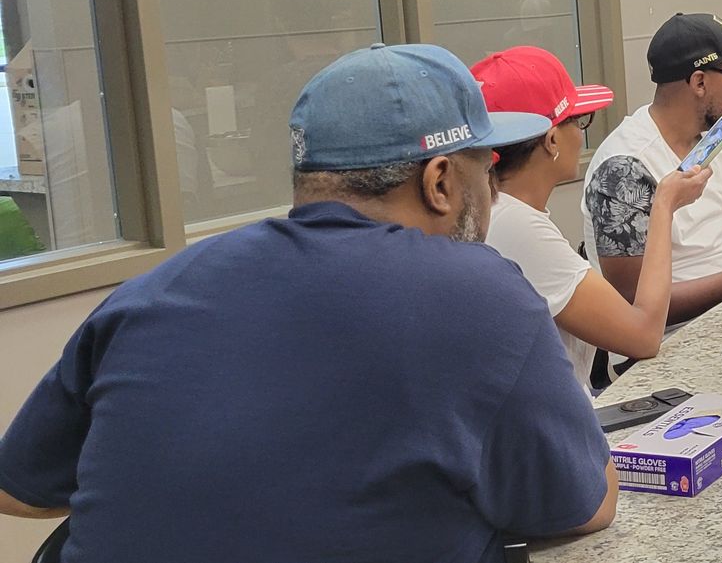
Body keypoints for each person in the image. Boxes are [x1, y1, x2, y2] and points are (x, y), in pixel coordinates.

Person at [0, 44, 618, 560]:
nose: (491, 191)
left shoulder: (155, 290)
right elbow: (582, 504)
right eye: (485, 171)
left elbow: (19, 491)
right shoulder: (480, 296)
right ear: (439, 182)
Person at [583, 14, 722, 370]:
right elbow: (630, 305)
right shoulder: (625, 169)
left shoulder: (719, 138)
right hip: (675, 346)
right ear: (699, 82)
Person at [476, 45, 712, 391]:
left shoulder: (494, 212)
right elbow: (643, 336)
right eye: (578, 121)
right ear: (551, 140)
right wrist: (663, 206)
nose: (582, 133)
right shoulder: (518, 228)